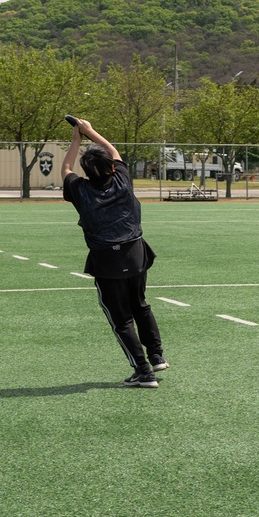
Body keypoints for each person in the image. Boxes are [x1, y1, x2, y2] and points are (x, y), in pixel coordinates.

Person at [61, 118, 167, 388]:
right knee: (140, 305)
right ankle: (156, 356)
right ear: (111, 167)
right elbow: (114, 151)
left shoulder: (80, 190)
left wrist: (76, 140)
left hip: (107, 260)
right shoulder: (122, 180)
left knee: (121, 320)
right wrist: (89, 130)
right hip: (135, 252)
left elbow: (65, 168)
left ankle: (144, 372)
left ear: (86, 172)